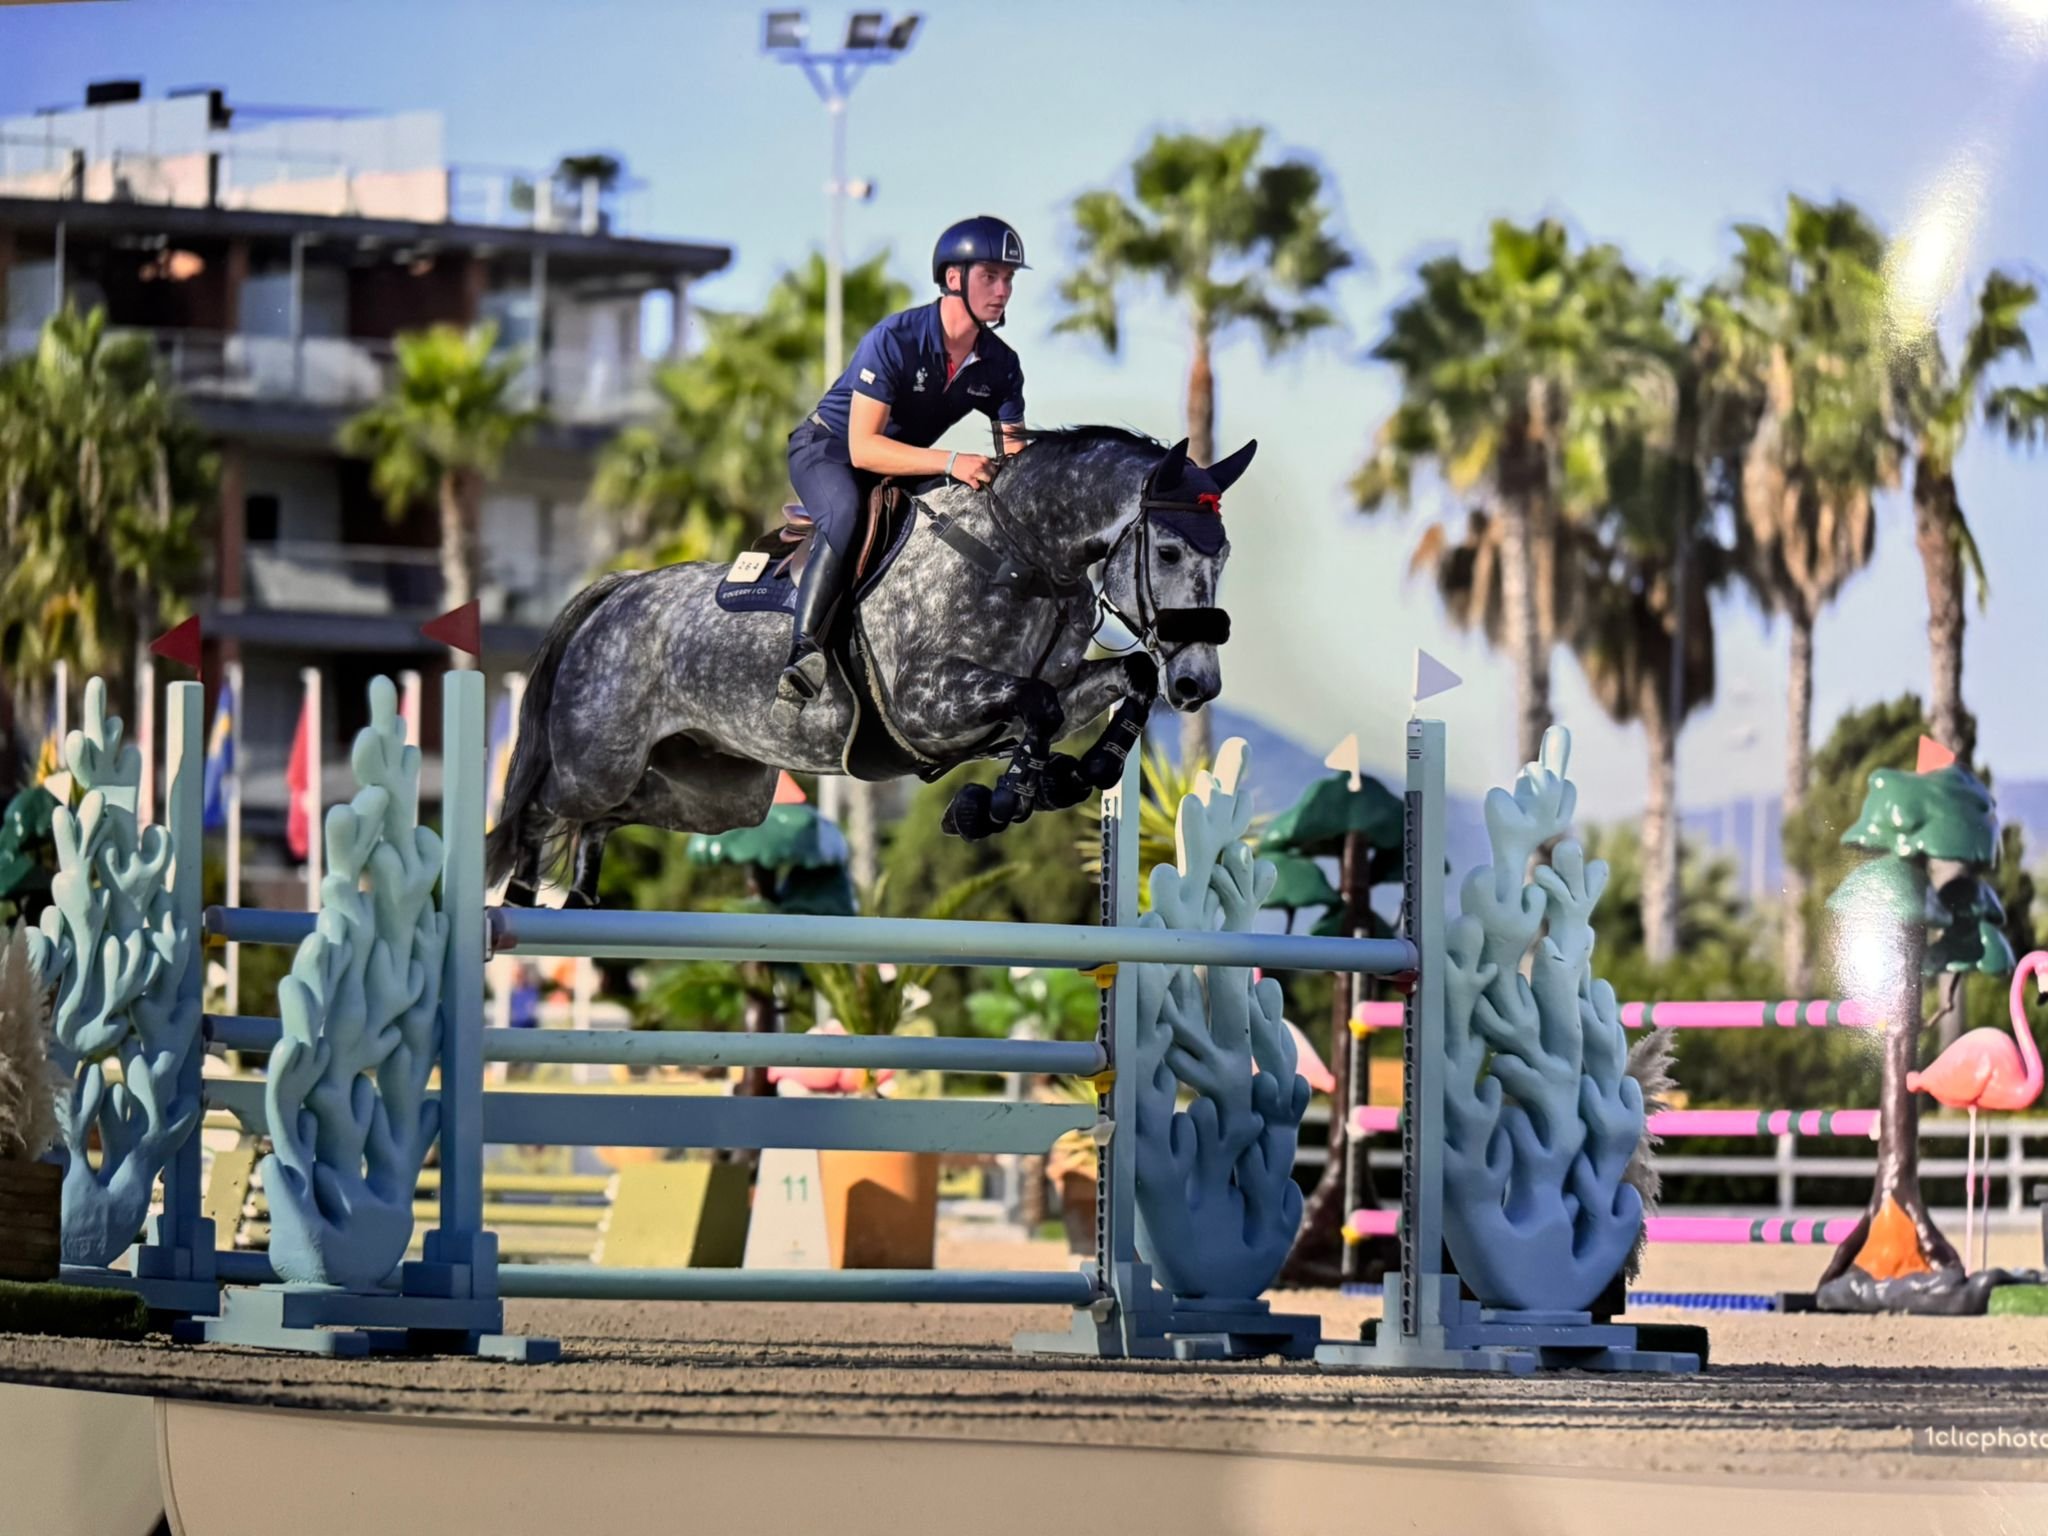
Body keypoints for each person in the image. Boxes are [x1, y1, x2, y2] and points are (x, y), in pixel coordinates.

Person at [777, 214, 1031, 708]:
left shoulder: (1002, 364)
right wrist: (954, 460)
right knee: (846, 511)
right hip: (829, 450)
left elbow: (1017, 460)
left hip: (901, 464)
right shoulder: (895, 339)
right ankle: (803, 653)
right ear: (953, 279)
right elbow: (863, 449)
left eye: (1009, 279)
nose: (1002, 290)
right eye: (990, 277)